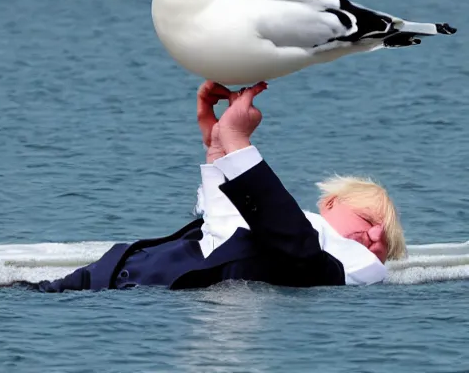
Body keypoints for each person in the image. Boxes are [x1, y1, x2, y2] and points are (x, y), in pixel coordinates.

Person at [24, 81, 406, 292]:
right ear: (331, 203)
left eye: (386, 241)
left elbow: (301, 254)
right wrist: (218, 148)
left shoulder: (363, 268)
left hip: (148, 296)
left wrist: (237, 142)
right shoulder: (290, 221)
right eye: (370, 217)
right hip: (112, 273)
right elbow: (226, 226)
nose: (376, 234)